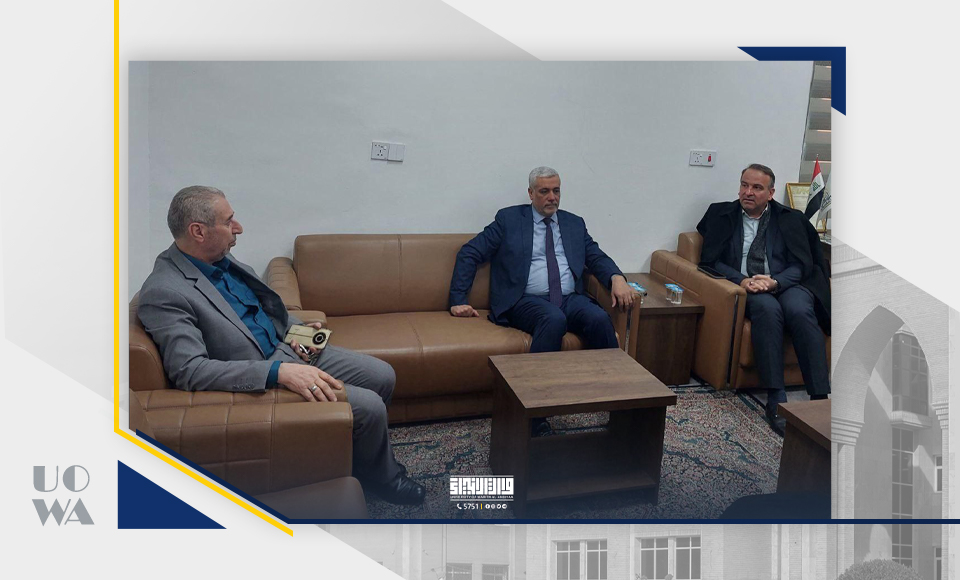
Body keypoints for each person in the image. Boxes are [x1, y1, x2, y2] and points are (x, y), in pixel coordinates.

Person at [137, 186, 425, 505]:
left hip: (289, 346)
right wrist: (279, 372)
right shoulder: (165, 291)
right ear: (198, 231)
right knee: (369, 406)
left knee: (383, 375)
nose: (238, 228)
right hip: (265, 372)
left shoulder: (218, 258)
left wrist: (300, 332)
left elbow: (265, 311)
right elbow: (189, 371)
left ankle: (356, 454)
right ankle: (384, 478)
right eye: (228, 221)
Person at [449, 166, 637, 435]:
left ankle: (621, 404)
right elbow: (469, 252)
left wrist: (617, 278)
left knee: (598, 318)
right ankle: (534, 415)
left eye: (556, 191)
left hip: (569, 298)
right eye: (544, 191)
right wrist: (458, 299)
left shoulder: (574, 223)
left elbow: (595, 256)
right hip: (524, 300)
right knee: (553, 318)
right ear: (530, 193)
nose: (552, 197)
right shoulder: (508, 220)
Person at [696, 164, 830, 435]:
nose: (748, 192)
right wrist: (741, 280)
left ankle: (819, 397)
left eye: (757, 187)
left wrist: (775, 281)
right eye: (744, 185)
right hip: (748, 285)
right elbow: (711, 261)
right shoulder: (721, 215)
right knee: (768, 310)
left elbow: (802, 264)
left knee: (799, 310)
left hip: (785, 282)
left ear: (770, 193)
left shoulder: (790, 219)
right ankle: (776, 397)